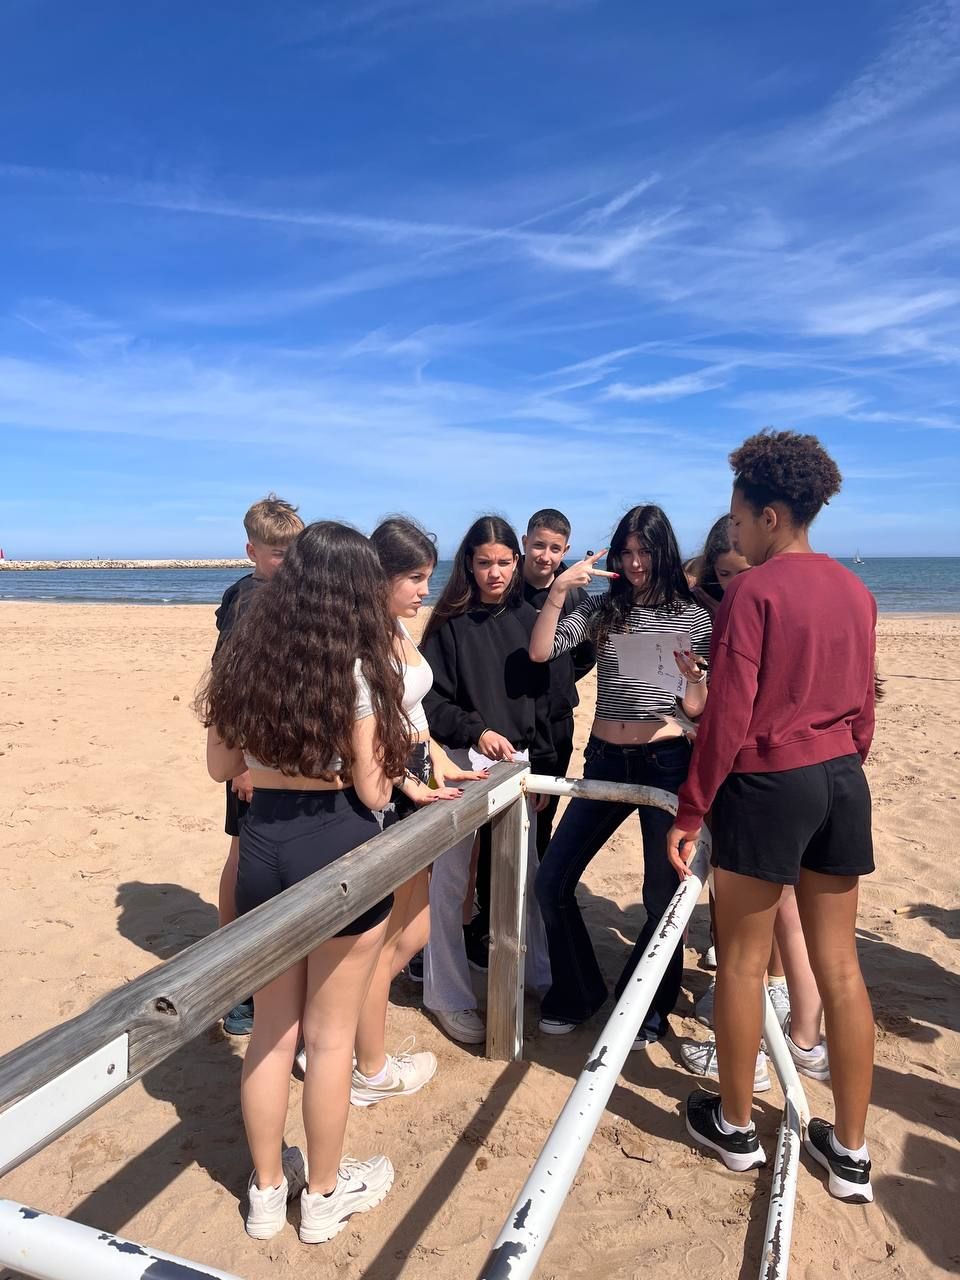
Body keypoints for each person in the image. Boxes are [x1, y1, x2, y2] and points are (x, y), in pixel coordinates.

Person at [668, 430, 877, 1204]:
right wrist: (841, 761)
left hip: (768, 781)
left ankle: (734, 1125)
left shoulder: (753, 593)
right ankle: (850, 1152)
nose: (733, 532)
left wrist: (692, 808)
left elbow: (728, 715)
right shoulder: (856, 590)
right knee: (841, 968)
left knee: (743, 961)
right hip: (841, 779)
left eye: (737, 519)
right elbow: (864, 707)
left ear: (770, 515)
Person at [198, 521, 410, 1244]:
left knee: (270, 1031)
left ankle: (265, 1192)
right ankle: (322, 1194)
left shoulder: (244, 662)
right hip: (338, 849)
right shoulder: (357, 671)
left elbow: (221, 768)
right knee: (328, 1039)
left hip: (263, 850)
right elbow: (375, 791)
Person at [530, 505, 712, 1047]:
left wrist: (694, 679)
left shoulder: (692, 614)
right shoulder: (605, 607)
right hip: (605, 758)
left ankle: (647, 1008)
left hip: (665, 760)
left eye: (644, 552)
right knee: (551, 880)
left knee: (662, 897)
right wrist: (559, 591)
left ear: (663, 552)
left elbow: (697, 708)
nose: (635, 563)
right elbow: (542, 650)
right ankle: (579, 991)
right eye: (626, 552)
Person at [349, 517, 485, 1103]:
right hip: (387, 795)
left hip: (416, 780)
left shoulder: (396, 626)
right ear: (379, 576)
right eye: (415, 578)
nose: (425, 590)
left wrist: (443, 765)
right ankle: (368, 1064)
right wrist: (408, 782)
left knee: (415, 929)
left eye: (428, 576)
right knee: (381, 941)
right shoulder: (359, 640)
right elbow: (366, 735)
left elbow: (414, 715)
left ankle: (351, 1044)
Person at [420, 515, 553, 1044]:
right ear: (469, 565)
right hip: (459, 759)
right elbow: (431, 703)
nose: (494, 572)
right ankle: (447, 995)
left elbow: (547, 700)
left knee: (525, 874)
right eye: (483, 562)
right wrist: (477, 731)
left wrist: (540, 766)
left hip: (519, 762)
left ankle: (538, 974)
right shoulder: (449, 624)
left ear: (516, 562)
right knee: (451, 882)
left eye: (503, 562)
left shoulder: (531, 618)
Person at [213, 494, 304, 1036]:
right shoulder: (248, 602)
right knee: (244, 857)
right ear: (252, 551)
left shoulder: (284, 595)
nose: (288, 563)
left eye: (296, 552)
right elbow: (227, 690)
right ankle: (238, 982)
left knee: (261, 856)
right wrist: (241, 766)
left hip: (282, 753)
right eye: (277, 554)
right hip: (251, 757)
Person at [520, 508, 596, 855]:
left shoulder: (576, 596)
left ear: (565, 550)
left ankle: (534, 885)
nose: (545, 556)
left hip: (556, 721)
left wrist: (560, 682)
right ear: (525, 542)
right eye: (539, 545)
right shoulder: (506, 589)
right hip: (511, 719)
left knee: (543, 814)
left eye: (555, 548)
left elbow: (587, 655)